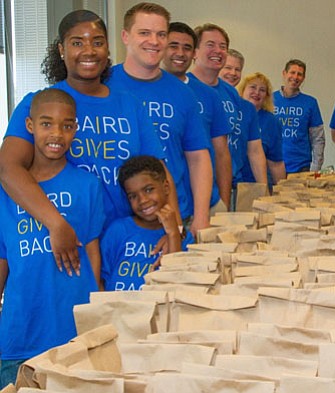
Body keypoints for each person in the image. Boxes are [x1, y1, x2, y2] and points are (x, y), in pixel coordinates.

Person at [0, 9, 167, 275]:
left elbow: (159, 172)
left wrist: (173, 229)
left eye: (97, 42)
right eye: (77, 42)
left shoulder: (130, 105)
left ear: (108, 48)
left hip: (124, 244)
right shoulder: (38, 104)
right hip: (64, 242)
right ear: (61, 49)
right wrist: (56, 224)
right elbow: (8, 170)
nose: (88, 50)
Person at [0, 90, 104, 388]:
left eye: (67, 125)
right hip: (20, 332)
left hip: (72, 333)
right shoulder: (6, 192)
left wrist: (94, 314)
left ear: (75, 129)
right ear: (30, 126)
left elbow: (93, 253)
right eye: (46, 124)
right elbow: (3, 258)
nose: (56, 133)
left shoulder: (87, 185)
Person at [106, 2, 213, 236]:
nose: (154, 41)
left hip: (172, 218)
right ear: (125, 36)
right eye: (144, 33)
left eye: (161, 34)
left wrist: (202, 216)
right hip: (115, 220)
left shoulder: (183, 93)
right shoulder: (104, 85)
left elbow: (198, 158)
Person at [190, 24, 268, 202]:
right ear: (195, 51)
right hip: (194, 189)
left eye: (222, 46)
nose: (217, 51)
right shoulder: (184, 89)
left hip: (230, 186)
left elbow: (252, 149)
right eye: (210, 44)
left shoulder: (230, 93)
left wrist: (264, 191)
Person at [162, 21, 232, 213]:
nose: (180, 53)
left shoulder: (209, 95)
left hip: (206, 202)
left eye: (186, 48)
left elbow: (221, 152)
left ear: (193, 53)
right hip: (158, 205)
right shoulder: (146, 90)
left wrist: (224, 204)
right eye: (173, 46)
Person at [101, 155, 193, 291]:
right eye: (133, 196)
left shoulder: (184, 237)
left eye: (149, 190)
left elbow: (175, 284)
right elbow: (101, 279)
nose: (142, 200)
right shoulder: (117, 231)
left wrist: (173, 234)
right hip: (118, 310)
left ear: (166, 187)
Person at [273, 59, 326, 173]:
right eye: (292, 72)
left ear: (303, 78)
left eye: (299, 74)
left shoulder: (310, 103)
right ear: (284, 73)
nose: (295, 77)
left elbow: (318, 139)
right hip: (272, 166)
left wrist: (315, 169)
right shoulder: (269, 100)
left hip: (301, 167)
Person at [239, 72, 286, 186]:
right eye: (253, 87)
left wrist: (281, 190)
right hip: (225, 182)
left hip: (254, 185)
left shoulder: (271, 122)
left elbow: (276, 163)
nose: (257, 93)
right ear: (243, 90)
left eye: (262, 90)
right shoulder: (231, 114)